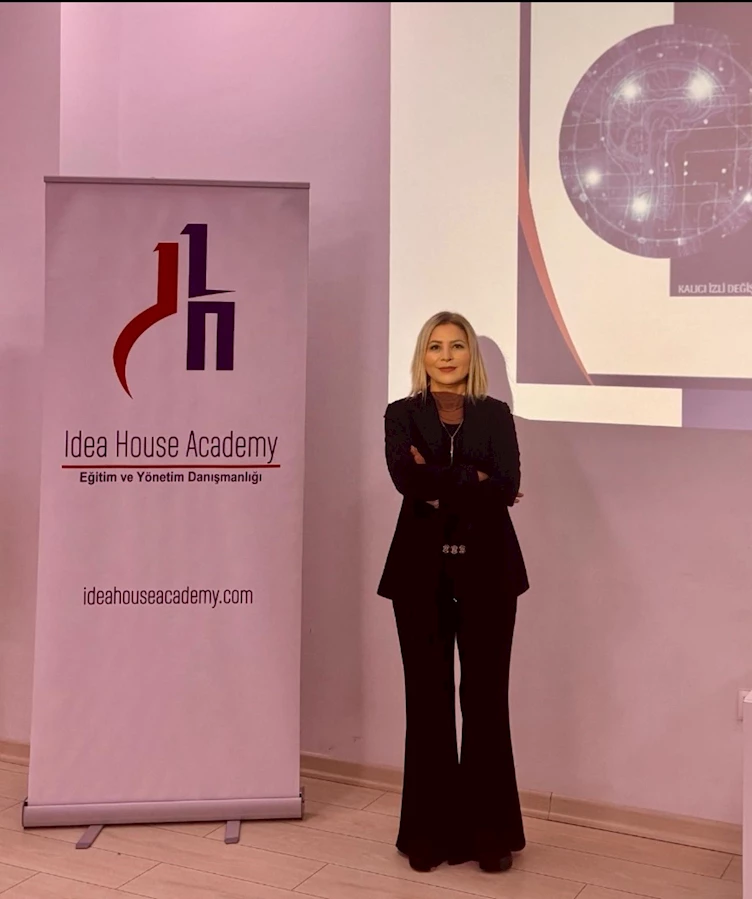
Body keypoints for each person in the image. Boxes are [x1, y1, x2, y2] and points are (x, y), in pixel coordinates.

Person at [377, 311, 529, 874]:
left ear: (472, 356)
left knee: (486, 702)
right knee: (428, 701)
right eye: (435, 346)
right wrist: (474, 479)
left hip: (490, 571)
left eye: (457, 345)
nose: (446, 356)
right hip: (418, 573)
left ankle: (490, 836)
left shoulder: (496, 414)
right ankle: (428, 833)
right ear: (423, 355)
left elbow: (508, 484)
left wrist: (442, 481)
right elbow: (406, 480)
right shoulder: (401, 414)